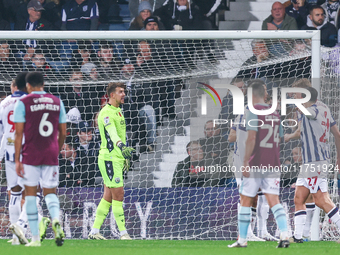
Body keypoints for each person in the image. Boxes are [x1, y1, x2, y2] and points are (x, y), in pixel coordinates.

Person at [228, 80, 290, 248]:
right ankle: (284, 235)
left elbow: (252, 137)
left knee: (246, 199)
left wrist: (246, 161)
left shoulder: (252, 111)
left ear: (252, 95)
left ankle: (242, 239)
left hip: (256, 162)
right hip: (273, 162)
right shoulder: (276, 114)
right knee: (273, 200)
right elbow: (281, 138)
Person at [13, 71, 67, 247]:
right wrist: (56, 150)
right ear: (43, 84)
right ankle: (56, 220)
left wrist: (17, 159)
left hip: (31, 154)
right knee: (50, 193)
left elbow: (19, 133)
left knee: (30, 195)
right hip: (50, 153)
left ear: (28, 86)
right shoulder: (57, 102)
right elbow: (63, 132)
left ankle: (35, 239)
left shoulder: (23, 102)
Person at [285, 87, 340, 243]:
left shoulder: (314, 110)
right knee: (299, 198)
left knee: (321, 200)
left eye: (297, 96)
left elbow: (310, 113)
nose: (294, 98)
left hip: (315, 162)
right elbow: (337, 134)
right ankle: (297, 236)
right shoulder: (324, 108)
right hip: (312, 163)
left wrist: (298, 104)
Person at [88, 82, 134, 240]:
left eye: (124, 91)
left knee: (108, 196)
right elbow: (112, 133)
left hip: (117, 158)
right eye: (120, 92)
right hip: (109, 158)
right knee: (118, 194)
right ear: (112, 95)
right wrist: (121, 146)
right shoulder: (106, 112)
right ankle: (123, 233)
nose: (124, 94)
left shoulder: (118, 111)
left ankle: (94, 231)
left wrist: (123, 155)